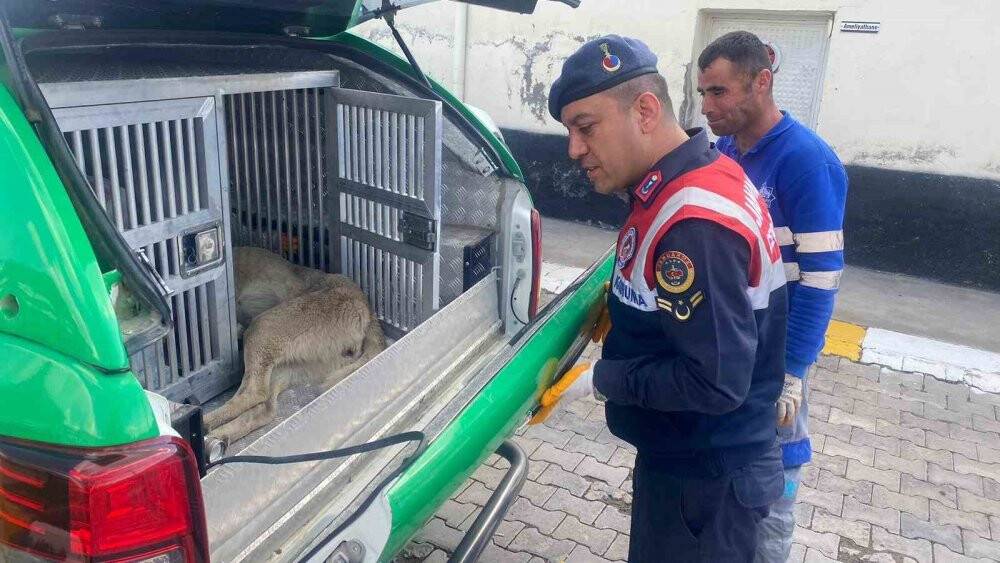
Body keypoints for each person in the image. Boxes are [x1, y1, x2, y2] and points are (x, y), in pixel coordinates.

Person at [535, 35, 788, 562]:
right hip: (693, 464)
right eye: (569, 131)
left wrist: (599, 379)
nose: (574, 149)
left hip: (705, 483)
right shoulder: (689, 176)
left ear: (645, 110)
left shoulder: (692, 220)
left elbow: (716, 382)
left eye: (586, 127)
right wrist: (625, 306)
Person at [696, 31, 848, 562]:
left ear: (762, 82)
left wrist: (792, 372)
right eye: (703, 94)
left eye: (720, 93)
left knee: (773, 485)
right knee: (728, 478)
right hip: (731, 351)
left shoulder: (807, 162)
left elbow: (822, 278)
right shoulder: (721, 154)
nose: (708, 107)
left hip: (775, 358)